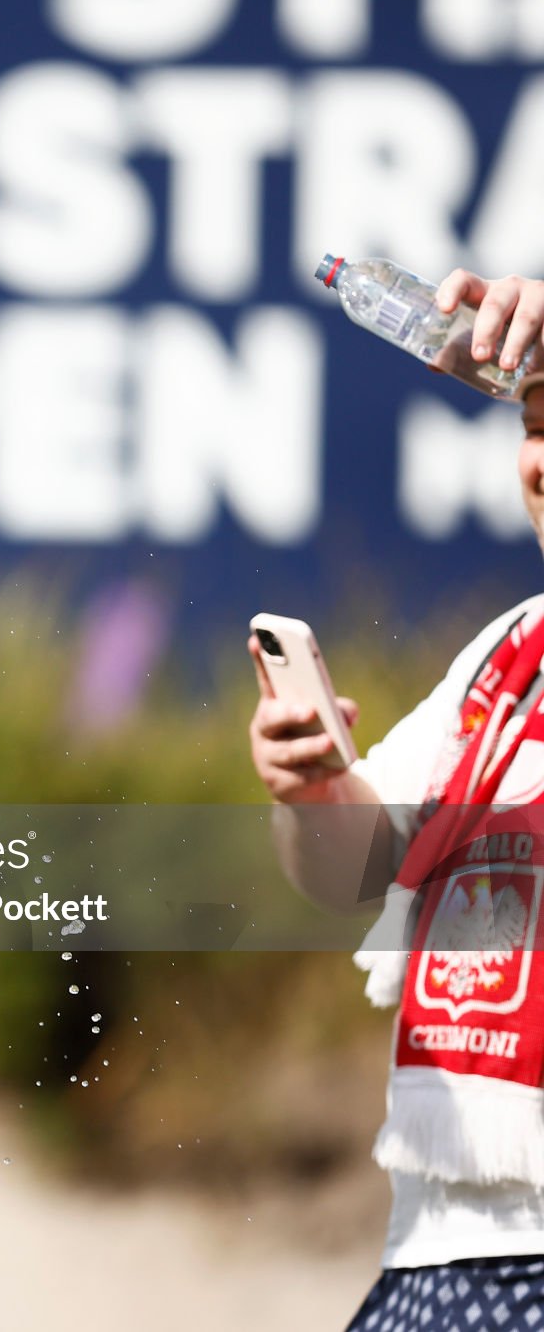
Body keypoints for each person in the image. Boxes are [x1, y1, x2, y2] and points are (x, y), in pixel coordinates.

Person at [250, 269, 544, 1331]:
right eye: (536, 420)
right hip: (440, 1245)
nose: (540, 457)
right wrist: (311, 783)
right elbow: (352, 870)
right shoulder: (512, 653)